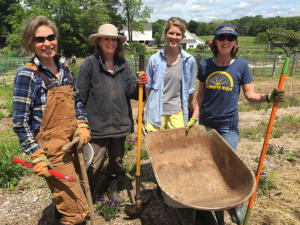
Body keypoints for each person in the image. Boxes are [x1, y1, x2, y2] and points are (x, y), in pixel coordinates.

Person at [187, 23, 284, 225]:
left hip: (227, 127)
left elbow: (249, 96)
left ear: (235, 43)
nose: (225, 41)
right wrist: (194, 117)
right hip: (206, 125)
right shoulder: (205, 65)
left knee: (225, 167)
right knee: (207, 167)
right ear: (215, 41)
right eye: (221, 37)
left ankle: (233, 203)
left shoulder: (241, 66)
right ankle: (210, 204)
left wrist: (267, 97)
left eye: (230, 38)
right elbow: (201, 96)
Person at [12, 16, 91, 225]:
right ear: (31, 43)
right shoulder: (27, 75)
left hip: (72, 144)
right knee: (76, 210)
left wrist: (82, 124)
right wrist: (36, 154)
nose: (47, 43)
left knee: (70, 195)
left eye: (50, 37)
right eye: (40, 40)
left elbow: (78, 102)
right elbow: (20, 123)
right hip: (52, 151)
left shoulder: (65, 69)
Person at [76, 24, 148, 202]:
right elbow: (79, 97)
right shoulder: (89, 65)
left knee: (116, 162)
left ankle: (112, 187)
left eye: (113, 39)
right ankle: (86, 196)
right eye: (106, 39)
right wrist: (80, 123)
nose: (110, 42)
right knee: (93, 164)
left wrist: (141, 84)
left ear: (118, 43)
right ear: (99, 41)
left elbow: (132, 92)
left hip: (119, 124)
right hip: (97, 126)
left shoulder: (123, 65)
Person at [144, 17, 196, 132]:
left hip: (177, 113)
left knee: (176, 148)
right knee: (156, 148)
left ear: (182, 37)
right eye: (171, 33)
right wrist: (144, 110)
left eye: (178, 34)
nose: (174, 37)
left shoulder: (189, 60)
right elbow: (148, 88)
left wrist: (191, 111)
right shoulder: (154, 60)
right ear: (165, 34)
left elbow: (190, 90)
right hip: (156, 112)